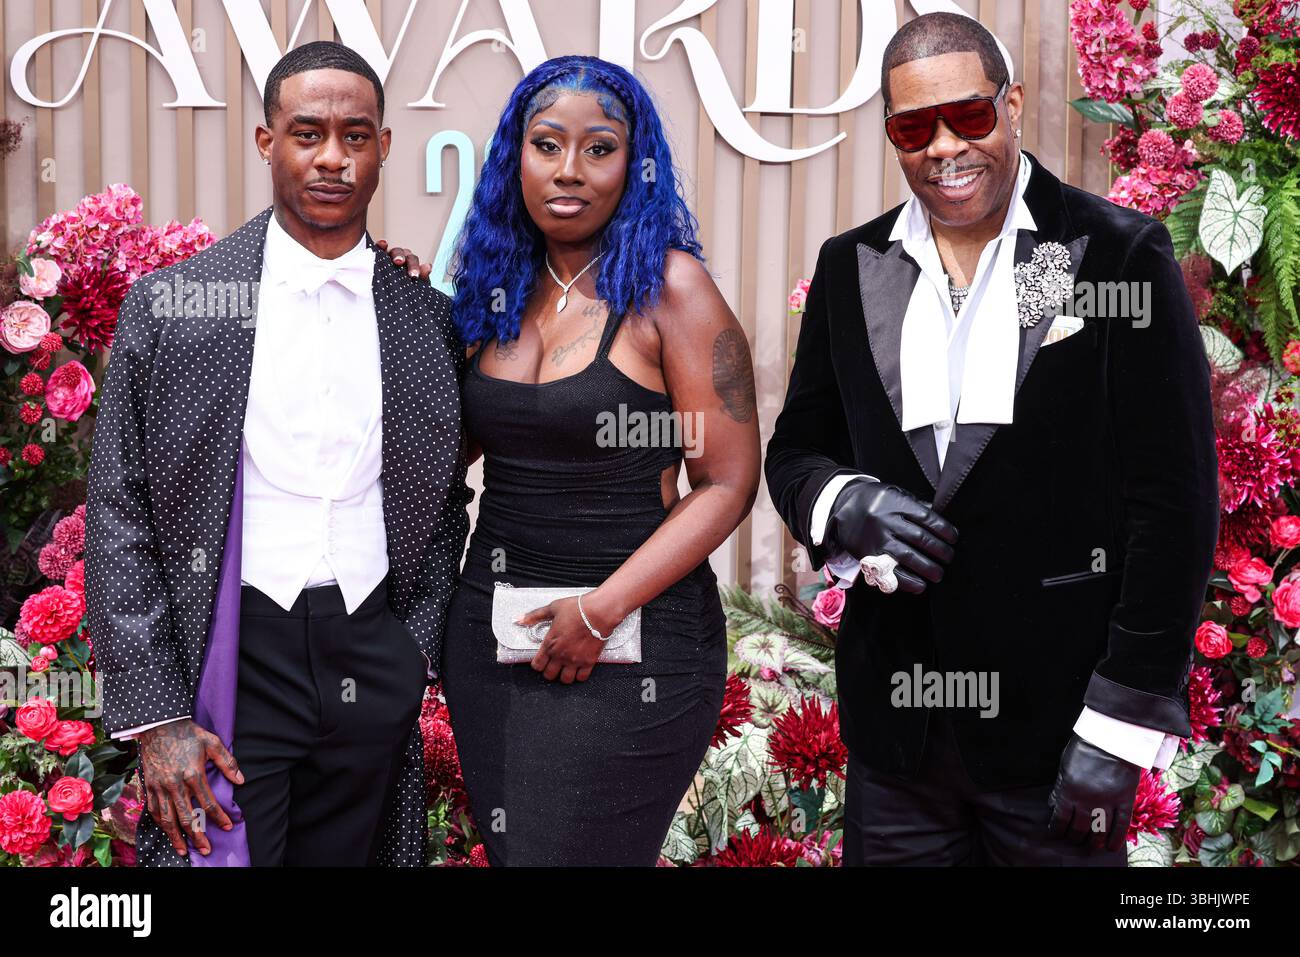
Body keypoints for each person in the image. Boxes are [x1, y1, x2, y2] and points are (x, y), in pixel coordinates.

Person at [765, 13, 1217, 865]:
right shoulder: (854, 262)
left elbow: (1176, 503)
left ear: (1010, 105)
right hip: (897, 742)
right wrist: (843, 499)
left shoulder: (1109, 255)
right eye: (912, 127)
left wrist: (1119, 727)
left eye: (967, 115)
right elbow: (795, 450)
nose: (942, 146)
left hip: (1057, 738)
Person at [85, 40, 471, 866]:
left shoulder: (426, 317)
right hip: (236, 653)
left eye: (356, 135)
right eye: (308, 132)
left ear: (384, 147)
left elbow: (445, 499)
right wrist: (155, 716)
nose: (333, 157)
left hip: (373, 650)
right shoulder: (176, 304)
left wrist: (416, 648)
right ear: (268, 143)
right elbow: (118, 510)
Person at [434, 55, 759, 866]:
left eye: (600, 148)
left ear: (634, 162)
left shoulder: (671, 290)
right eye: (546, 145)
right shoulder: (494, 288)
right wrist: (400, 295)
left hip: (632, 642)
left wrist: (601, 608)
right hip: (496, 639)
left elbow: (727, 481)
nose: (569, 171)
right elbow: (448, 445)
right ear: (516, 158)